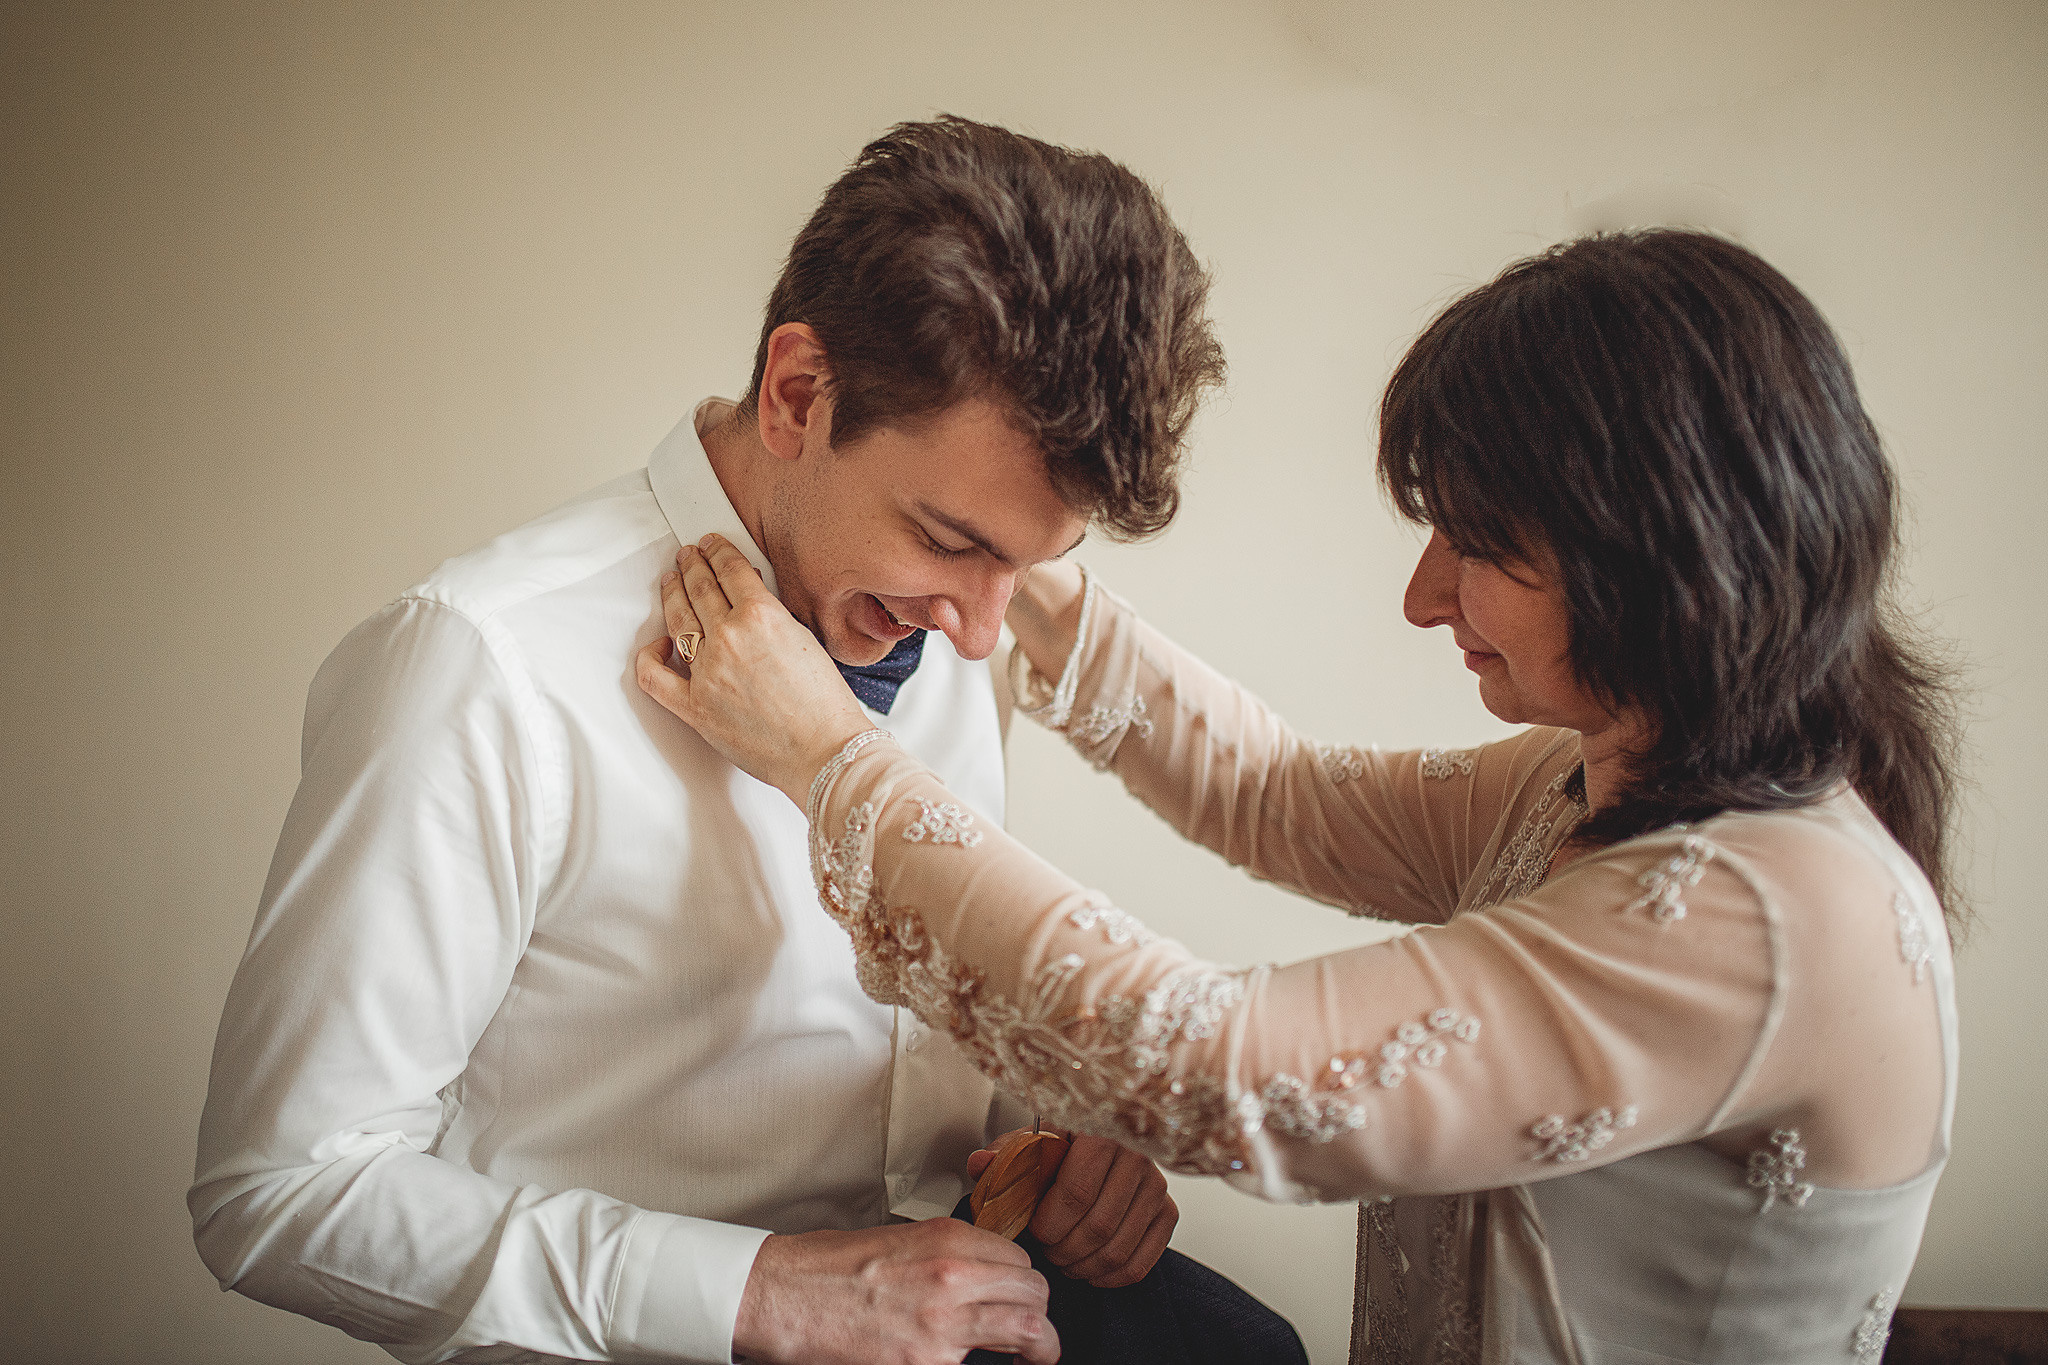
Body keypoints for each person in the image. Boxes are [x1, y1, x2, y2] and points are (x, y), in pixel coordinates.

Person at [635, 229, 1964, 1363]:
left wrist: (830, 759)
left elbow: (1213, 1064)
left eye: (1477, 543)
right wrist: (998, 554)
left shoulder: (1771, 917)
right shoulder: (1601, 774)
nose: (1423, 595)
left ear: (1656, 559)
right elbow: (1284, 796)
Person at [192, 115, 1306, 1365]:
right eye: (949, 542)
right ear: (797, 394)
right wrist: (760, 1293)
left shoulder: (950, 617)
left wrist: (1050, 1130)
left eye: (1026, 564)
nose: (984, 632)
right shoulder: (479, 665)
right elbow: (280, 1190)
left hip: (964, 1284)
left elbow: (908, 1040)